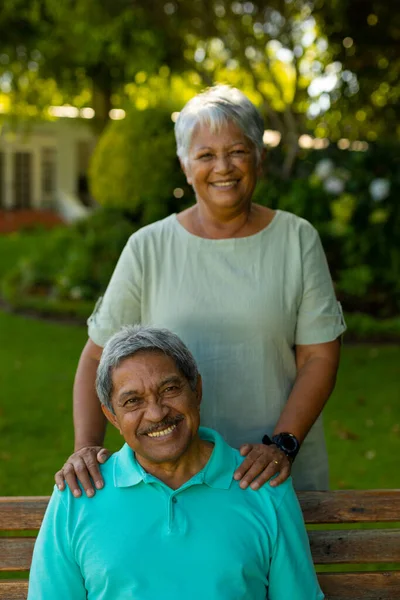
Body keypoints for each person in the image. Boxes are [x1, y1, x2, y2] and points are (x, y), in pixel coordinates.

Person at [56, 85, 346, 497]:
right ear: (185, 165)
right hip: (169, 481)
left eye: (238, 151)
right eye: (206, 155)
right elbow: (97, 356)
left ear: (259, 157)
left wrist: (282, 445)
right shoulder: (148, 247)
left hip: (274, 476)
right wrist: (86, 449)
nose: (223, 167)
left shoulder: (297, 239)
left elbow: (319, 356)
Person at [30, 326, 324, 600]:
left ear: (196, 390)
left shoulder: (265, 486)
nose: (157, 413)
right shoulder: (77, 494)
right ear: (112, 417)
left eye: (169, 389)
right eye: (133, 401)